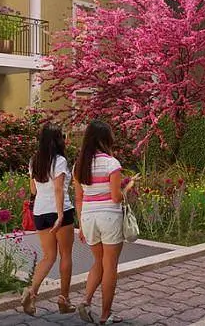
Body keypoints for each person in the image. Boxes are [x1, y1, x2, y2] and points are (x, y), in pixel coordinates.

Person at [74, 121, 134, 324]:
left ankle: (86, 300)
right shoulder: (112, 164)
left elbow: (79, 198)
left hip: (89, 218)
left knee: (98, 262)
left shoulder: (79, 166)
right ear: (105, 139)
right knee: (110, 267)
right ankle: (105, 315)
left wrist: (81, 225)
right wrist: (129, 187)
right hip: (109, 216)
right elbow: (116, 197)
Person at [18, 123, 76, 316]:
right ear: (58, 139)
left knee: (48, 256)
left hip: (40, 212)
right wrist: (60, 215)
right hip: (60, 212)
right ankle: (64, 300)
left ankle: (32, 292)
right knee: (65, 255)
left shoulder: (34, 161)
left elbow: (33, 190)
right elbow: (59, 189)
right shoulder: (59, 160)